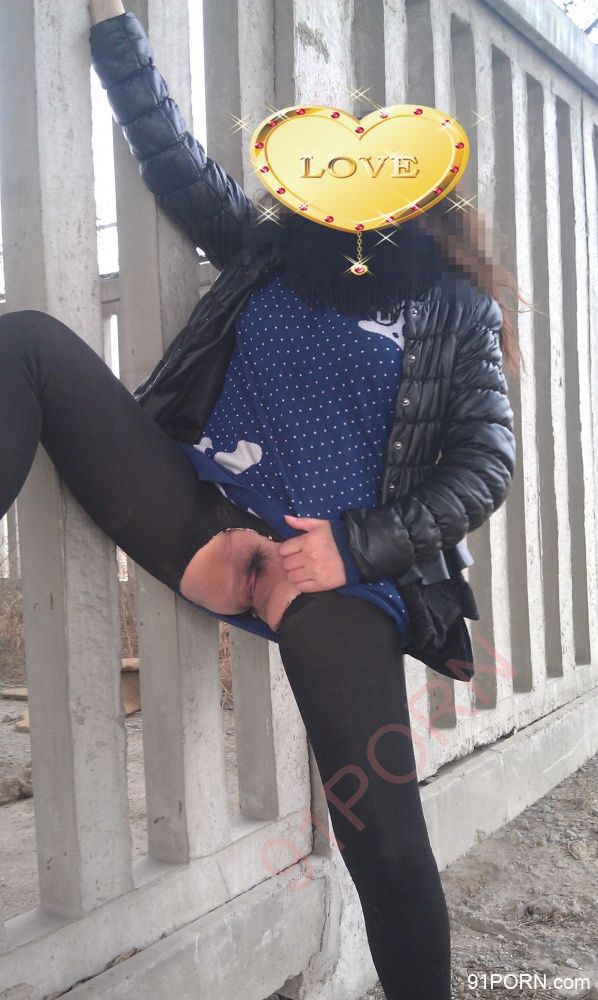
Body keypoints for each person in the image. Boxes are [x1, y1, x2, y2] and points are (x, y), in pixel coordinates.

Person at [0, 3, 524, 997]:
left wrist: (355, 548)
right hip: (200, 505)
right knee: (23, 343)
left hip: (334, 570)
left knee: (386, 845)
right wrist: (117, 40)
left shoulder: (455, 309)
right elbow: (177, 167)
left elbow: (483, 462)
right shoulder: (272, 249)